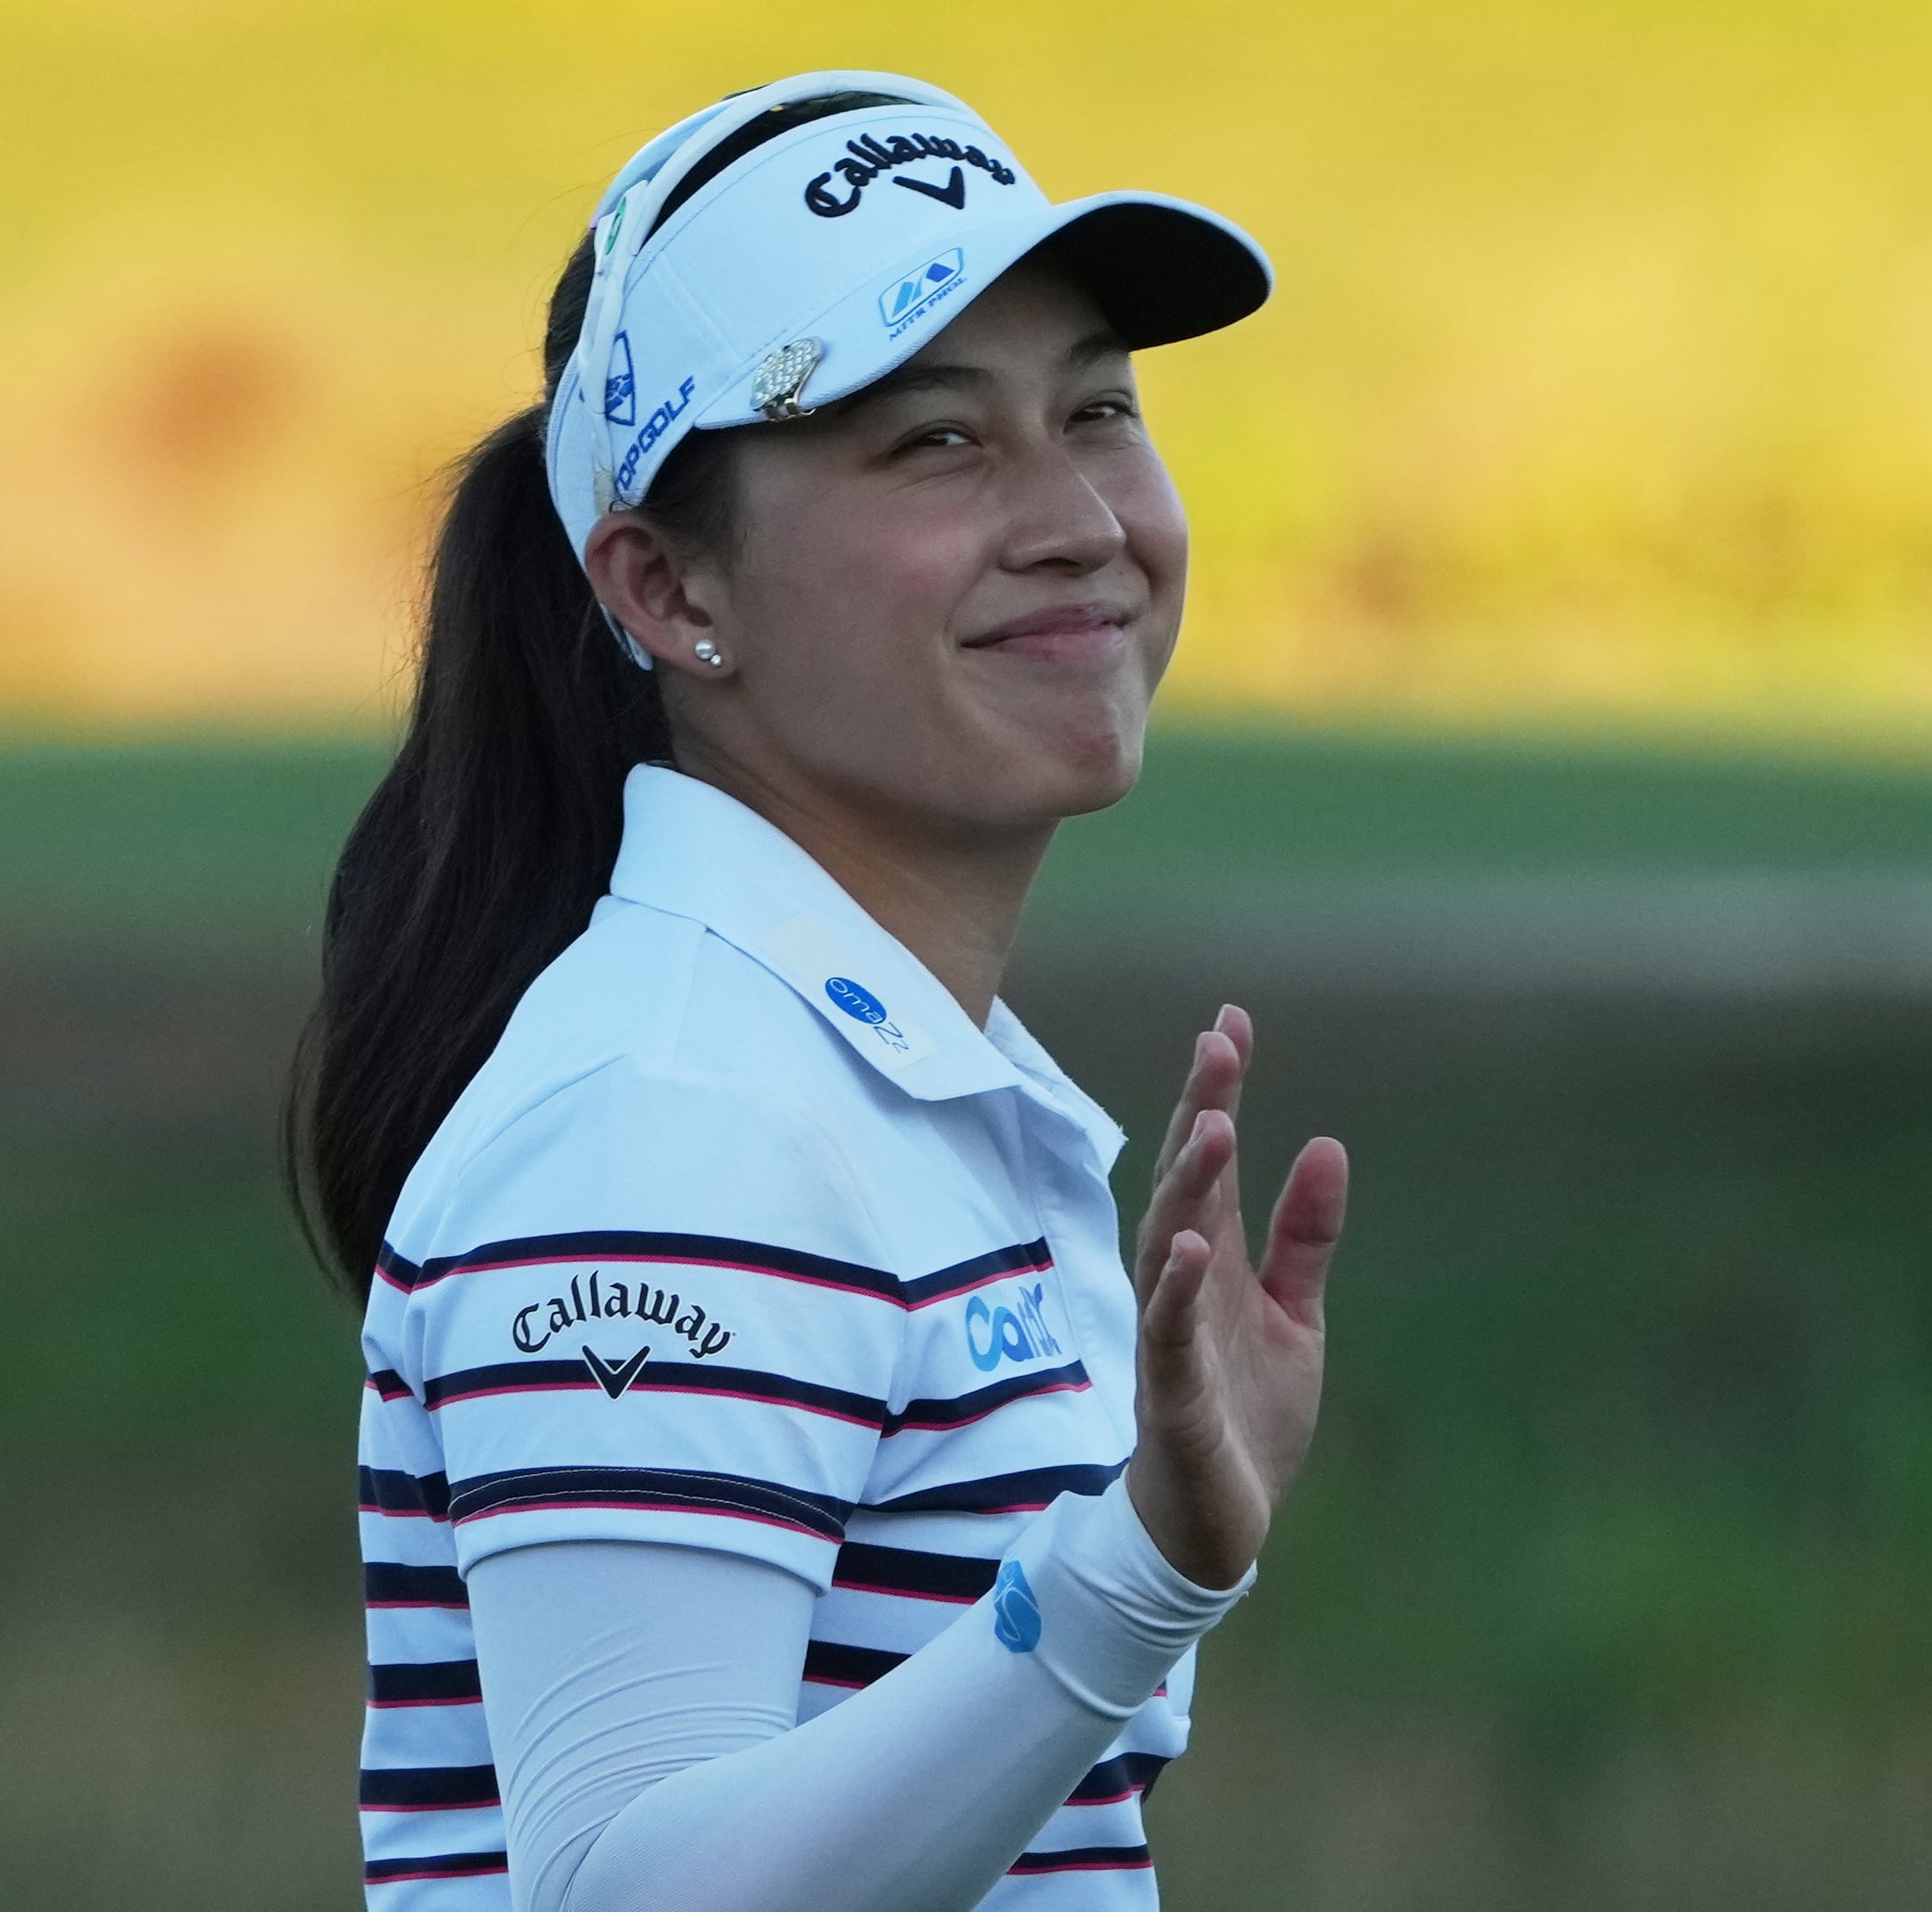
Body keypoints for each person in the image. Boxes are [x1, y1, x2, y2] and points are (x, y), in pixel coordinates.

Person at [289, 71, 1351, 1912]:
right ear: (670, 585)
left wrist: (1147, 1567)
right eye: (936, 443)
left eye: (1095, 408)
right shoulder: (676, 1119)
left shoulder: (853, 1088)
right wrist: (1134, 1569)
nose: (1080, 517)